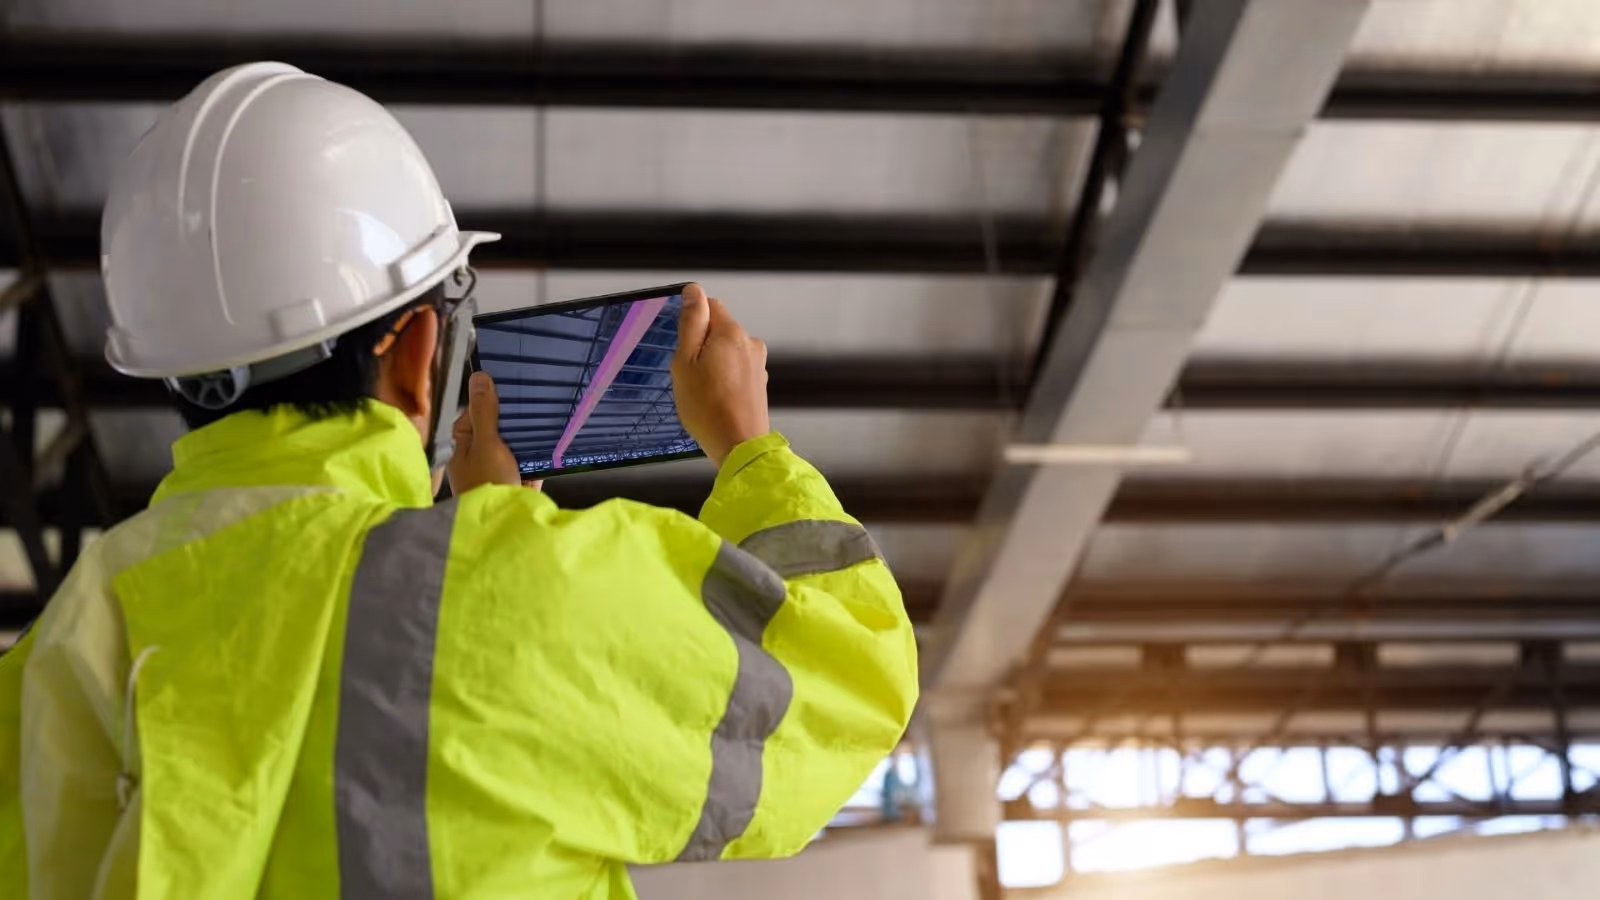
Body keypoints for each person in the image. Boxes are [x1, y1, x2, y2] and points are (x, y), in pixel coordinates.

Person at [0, 63, 917, 899]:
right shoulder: (520, 595)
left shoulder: (47, 658)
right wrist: (748, 447)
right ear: (417, 356)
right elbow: (850, 681)